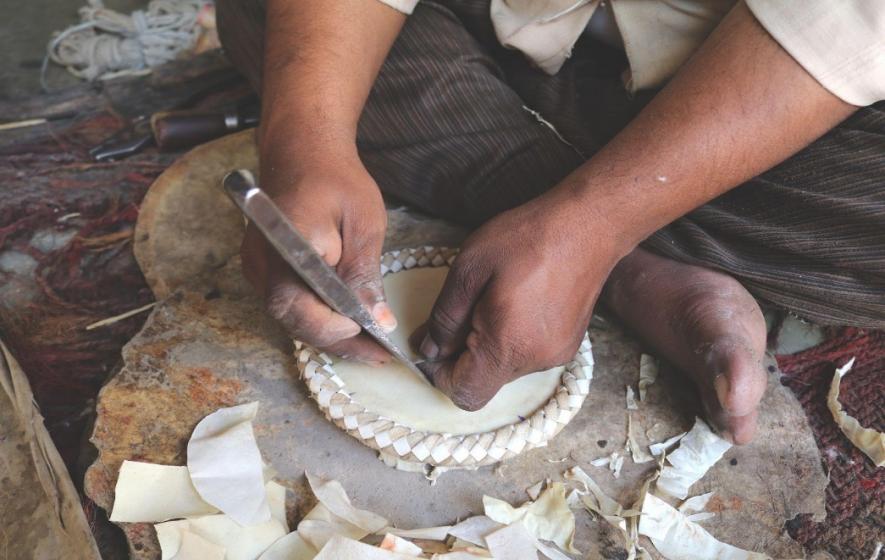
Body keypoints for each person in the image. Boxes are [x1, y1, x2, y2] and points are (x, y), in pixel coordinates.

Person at [215, 0, 884, 444]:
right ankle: (625, 268)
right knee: (275, 26)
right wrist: (306, 139)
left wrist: (597, 222)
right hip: (492, 31)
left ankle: (579, 225)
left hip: (778, 88)